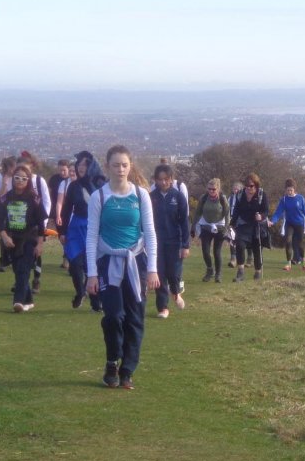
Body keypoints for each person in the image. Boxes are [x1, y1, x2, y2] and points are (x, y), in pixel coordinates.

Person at [86, 145, 159, 390]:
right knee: (114, 316)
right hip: (108, 262)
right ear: (107, 166)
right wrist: (92, 274)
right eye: (115, 164)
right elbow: (91, 236)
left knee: (135, 319)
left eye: (124, 165)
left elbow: (149, 232)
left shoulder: (140, 195)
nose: (120, 169)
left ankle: (127, 371)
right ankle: (111, 361)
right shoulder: (100, 196)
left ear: (130, 167)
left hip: (136, 262)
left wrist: (152, 268)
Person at [0, 164, 47, 313]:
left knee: (24, 270)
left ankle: (17, 301)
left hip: (29, 239)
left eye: (24, 178)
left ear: (28, 180)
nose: (20, 181)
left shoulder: (34, 199)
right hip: (12, 240)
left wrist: (40, 244)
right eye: (17, 178)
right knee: (18, 271)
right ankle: (28, 300)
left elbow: (41, 224)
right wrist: (4, 236)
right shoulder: (5, 199)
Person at [58, 151, 106, 312]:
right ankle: (80, 292)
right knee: (75, 263)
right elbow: (66, 209)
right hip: (76, 227)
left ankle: (96, 301)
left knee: (92, 266)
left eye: (85, 164)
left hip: (95, 227)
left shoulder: (101, 184)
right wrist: (62, 231)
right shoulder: (74, 186)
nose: (81, 167)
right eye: (79, 164)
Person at [150, 163, 190, 317]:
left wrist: (185, 245)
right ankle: (163, 307)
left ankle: (176, 293)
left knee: (173, 272)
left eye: (166, 179)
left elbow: (184, 222)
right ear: (155, 180)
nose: (163, 182)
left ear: (171, 179)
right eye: (160, 180)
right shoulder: (151, 197)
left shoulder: (178, 196)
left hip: (175, 241)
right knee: (159, 273)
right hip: (157, 242)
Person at [16, 151, 52, 293]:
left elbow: (47, 201)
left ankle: (36, 278)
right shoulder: (16, 182)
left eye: (25, 168)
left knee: (36, 252)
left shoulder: (39, 181)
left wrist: (43, 220)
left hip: (37, 223)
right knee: (18, 251)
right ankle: (20, 280)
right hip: (19, 224)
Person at [229, 173, 269, 281]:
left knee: (257, 250)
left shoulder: (262, 194)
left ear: (256, 185)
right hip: (243, 224)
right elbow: (236, 210)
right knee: (240, 245)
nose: (248, 188)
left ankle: (257, 273)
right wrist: (231, 224)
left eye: (251, 186)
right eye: (246, 186)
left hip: (257, 226)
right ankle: (240, 272)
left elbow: (266, 210)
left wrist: (261, 216)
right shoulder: (240, 194)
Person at [270, 178, 305, 271]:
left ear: (294, 189)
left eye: (291, 190)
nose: (289, 192)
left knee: (299, 244)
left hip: (299, 224)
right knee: (288, 241)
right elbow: (278, 212)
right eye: (288, 190)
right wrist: (272, 221)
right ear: (285, 190)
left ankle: (304, 261)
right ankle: (288, 263)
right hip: (289, 223)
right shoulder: (284, 200)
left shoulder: (300, 198)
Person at [194, 178, 230, 283]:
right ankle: (210, 270)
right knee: (205, 251)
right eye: (209, 189)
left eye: (213, 189)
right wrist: (193, 226)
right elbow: (198, 212)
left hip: (219, 226)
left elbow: (227, 214)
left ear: (218, 189)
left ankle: (218, 274)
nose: (211, 191)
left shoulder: (223, 199)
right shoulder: (204, 198)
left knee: (216, 251)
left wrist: (226, 228)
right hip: (206, 225)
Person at [0, 156, 17, 272]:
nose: (13, 170)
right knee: (3, 235)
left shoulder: (18, 177)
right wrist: (4, 183)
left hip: (16, 209)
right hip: (4, 209)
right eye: (11, 167)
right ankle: (3, 260)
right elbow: (0, 196)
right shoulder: (0, 177)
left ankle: (13, 259)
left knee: (14, 235)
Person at [227, 181, 245, 268]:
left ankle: (248, 258)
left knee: (242, 241)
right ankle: (233, 259)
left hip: (241, 222)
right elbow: (227, 209)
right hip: (232, 221)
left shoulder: (244, 198)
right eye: (234, 189)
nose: (235, 190)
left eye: (237, 189)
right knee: (232, 240)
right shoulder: (230, 198)